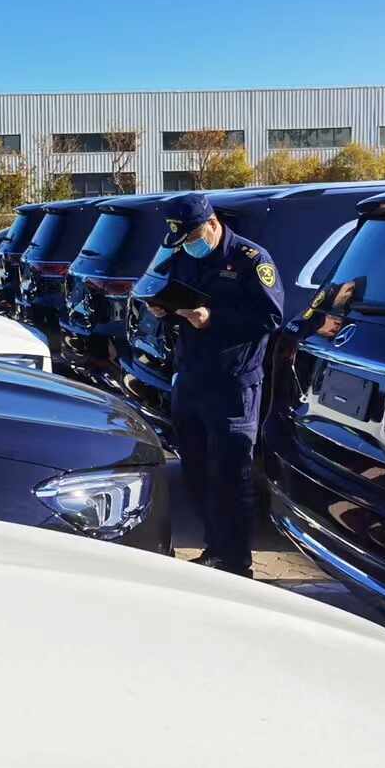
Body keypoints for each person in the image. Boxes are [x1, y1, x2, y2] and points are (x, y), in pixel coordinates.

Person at [148, 193, 284, 577]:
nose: (189, 245)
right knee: (196, 472)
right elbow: (179, 299)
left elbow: (270, 317)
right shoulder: (184, 255)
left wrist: (213, 318)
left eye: (192, 237)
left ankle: (236, 563)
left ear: (211, 224)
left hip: (232, 385)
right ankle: (215, 549)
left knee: (231, 477)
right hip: (192, 378)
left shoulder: (250, 260)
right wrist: (165, 312)